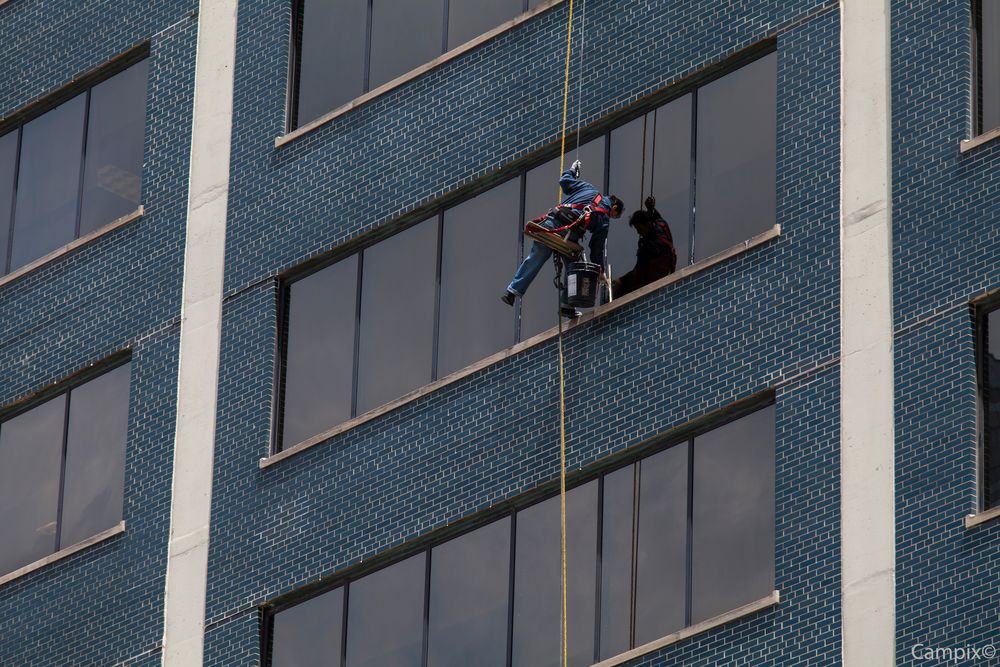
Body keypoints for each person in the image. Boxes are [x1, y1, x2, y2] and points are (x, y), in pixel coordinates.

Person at [501, 159, 623, 317]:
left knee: (536, 258)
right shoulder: (604, 219)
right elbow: (596, 247)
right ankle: (566, 306)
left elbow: (564, 181)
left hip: (550, 225)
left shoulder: (589, 189)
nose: (611, 217)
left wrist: (572, 171)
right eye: (614, 215)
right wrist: (599, 270)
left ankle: (512, 292)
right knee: (574, 268)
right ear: (614, 208)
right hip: (568, 237)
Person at [611, 195, 676, 298]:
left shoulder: (651, 243)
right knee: (616, 285)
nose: (639, 232)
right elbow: (655, 217)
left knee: (619, 285)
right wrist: (650, 208)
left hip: (653, 275)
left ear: (648, 224)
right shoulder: (660, 224)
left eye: (640, 229)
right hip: (650, 274)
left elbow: (641, 268)